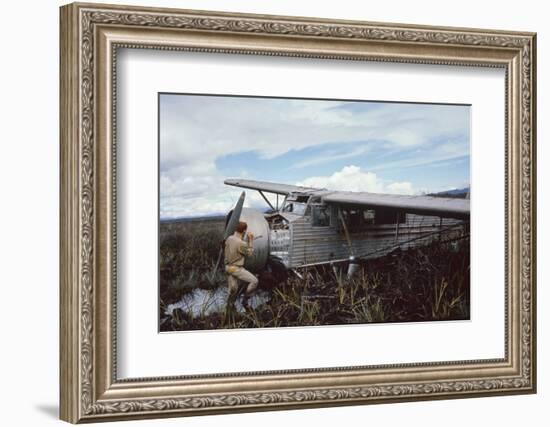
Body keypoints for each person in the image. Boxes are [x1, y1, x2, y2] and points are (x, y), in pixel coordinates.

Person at [224, 221, 259, 309]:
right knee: (254, 281)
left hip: (228, 267)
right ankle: (245, 300)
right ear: (243, 231)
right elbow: (250, 253)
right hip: (236, 268)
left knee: (233, 289)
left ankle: (229, 306)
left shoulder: (229, 238)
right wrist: (250, 240)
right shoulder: (240, 243)